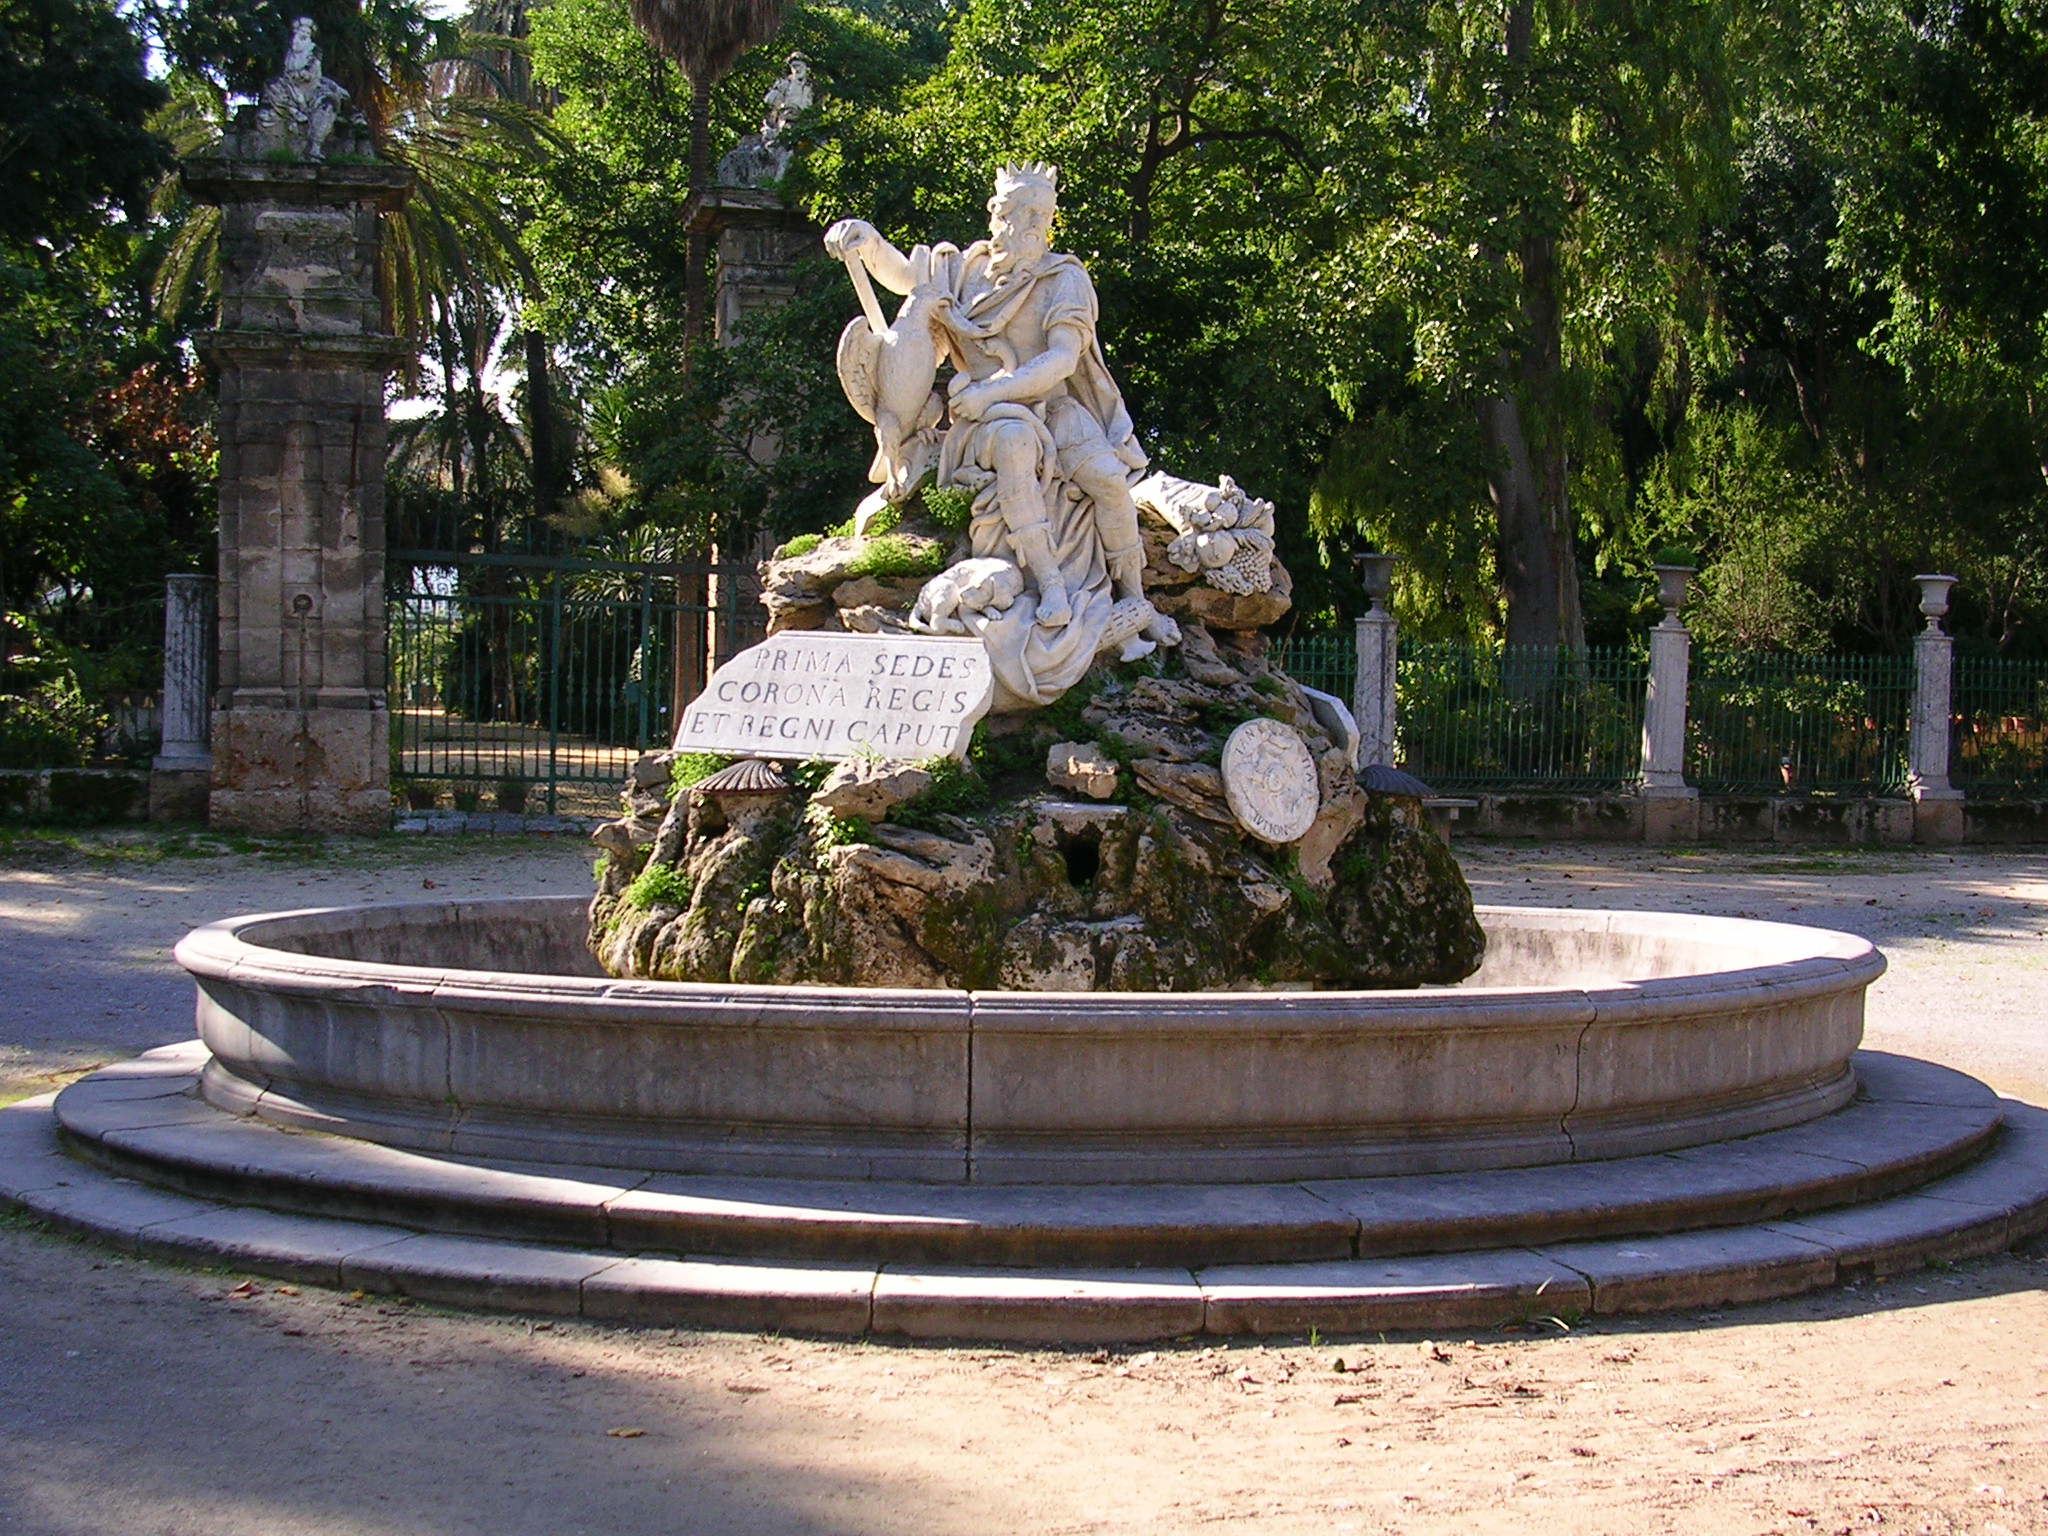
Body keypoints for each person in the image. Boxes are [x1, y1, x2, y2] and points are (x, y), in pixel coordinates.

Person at [825, 164, 1177, 673]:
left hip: (1053, 408)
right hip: (984, 421)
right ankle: (1052, 583)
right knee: (1014, 445)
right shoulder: (964, 271)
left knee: (1108, 481)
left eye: (1042, 215)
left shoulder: (1064, 279)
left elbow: (1062, 359)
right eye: (1021, 213)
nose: (1033, 224)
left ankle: (1133, 597)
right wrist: (868, 241)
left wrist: (996, 392)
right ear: (998, 216)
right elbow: (906, 277)